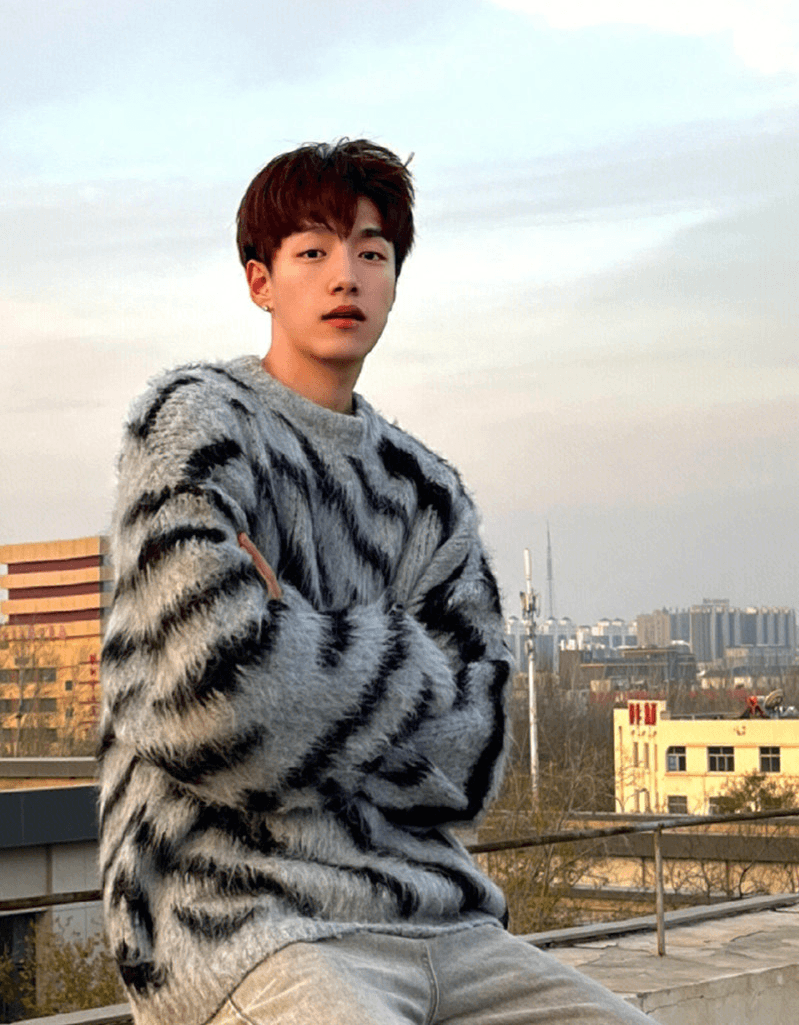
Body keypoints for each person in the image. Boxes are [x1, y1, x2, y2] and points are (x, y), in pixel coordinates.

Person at [99, 139, 650, 1025]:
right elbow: (211, 709)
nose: (344, 276)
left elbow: (470, 759)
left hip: (438, 918)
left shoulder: (423, 490)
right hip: (239, 915)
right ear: (260, 281)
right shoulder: (199, 425)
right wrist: (403, 662)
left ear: (394, 279)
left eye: (371, 252)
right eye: (311, 252)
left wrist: (293, 634)